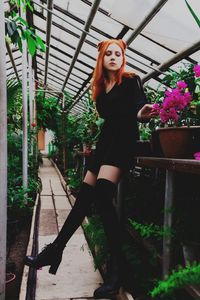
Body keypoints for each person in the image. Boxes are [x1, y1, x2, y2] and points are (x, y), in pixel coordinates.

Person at [25, 39, 156, 299]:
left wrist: (143, 113)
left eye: (118, 53)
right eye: (109, 53)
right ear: (101, 58)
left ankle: (117, 272)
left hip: (122, 145)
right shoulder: (98, 86)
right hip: (105, 144)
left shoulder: (131, 80)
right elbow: (106, 117)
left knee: (103, 196)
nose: (114, 57)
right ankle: (56, 249)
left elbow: (139, 107)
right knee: (83, 199)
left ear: (123, 57)